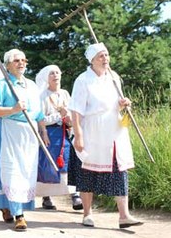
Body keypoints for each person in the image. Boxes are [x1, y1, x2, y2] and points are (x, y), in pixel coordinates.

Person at [68, 42, 143, 229]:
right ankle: (87, 214)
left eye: (107, 55)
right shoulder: (83, 80)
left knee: (119, 170)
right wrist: (78, 135)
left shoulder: (113, 76)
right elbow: (76, 110)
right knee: (87, 171)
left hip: (114, 129)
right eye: (101, 56)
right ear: (92, 60)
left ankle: (124, 216)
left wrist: (124, 103)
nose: (105, 59)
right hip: (92, 130)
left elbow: (115, 102)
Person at [0, 49, 48, 232]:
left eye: (24, 60)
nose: (21, 63)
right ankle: (19, 215)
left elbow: (39, 112)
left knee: (25, 172)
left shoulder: (32, 86)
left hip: (29, 134)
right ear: (8, 64)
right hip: (8, 131)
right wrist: (13, 109)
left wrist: (44, 130)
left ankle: (8, 206)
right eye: (17, 60)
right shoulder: (1, 85)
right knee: (11, 172)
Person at [34, 65, 83, 211]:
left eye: (57, 72)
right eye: (51, 74)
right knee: (48, 165)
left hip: (65, 133)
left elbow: (70, 114)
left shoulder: (65, 94)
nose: (55, 75)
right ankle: (46, 197)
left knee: (69, 162)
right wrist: (59, 116)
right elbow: (40, 119)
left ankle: (75, 195)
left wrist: (68, 120)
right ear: (46, 78)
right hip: (49, 134)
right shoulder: (42, 96)